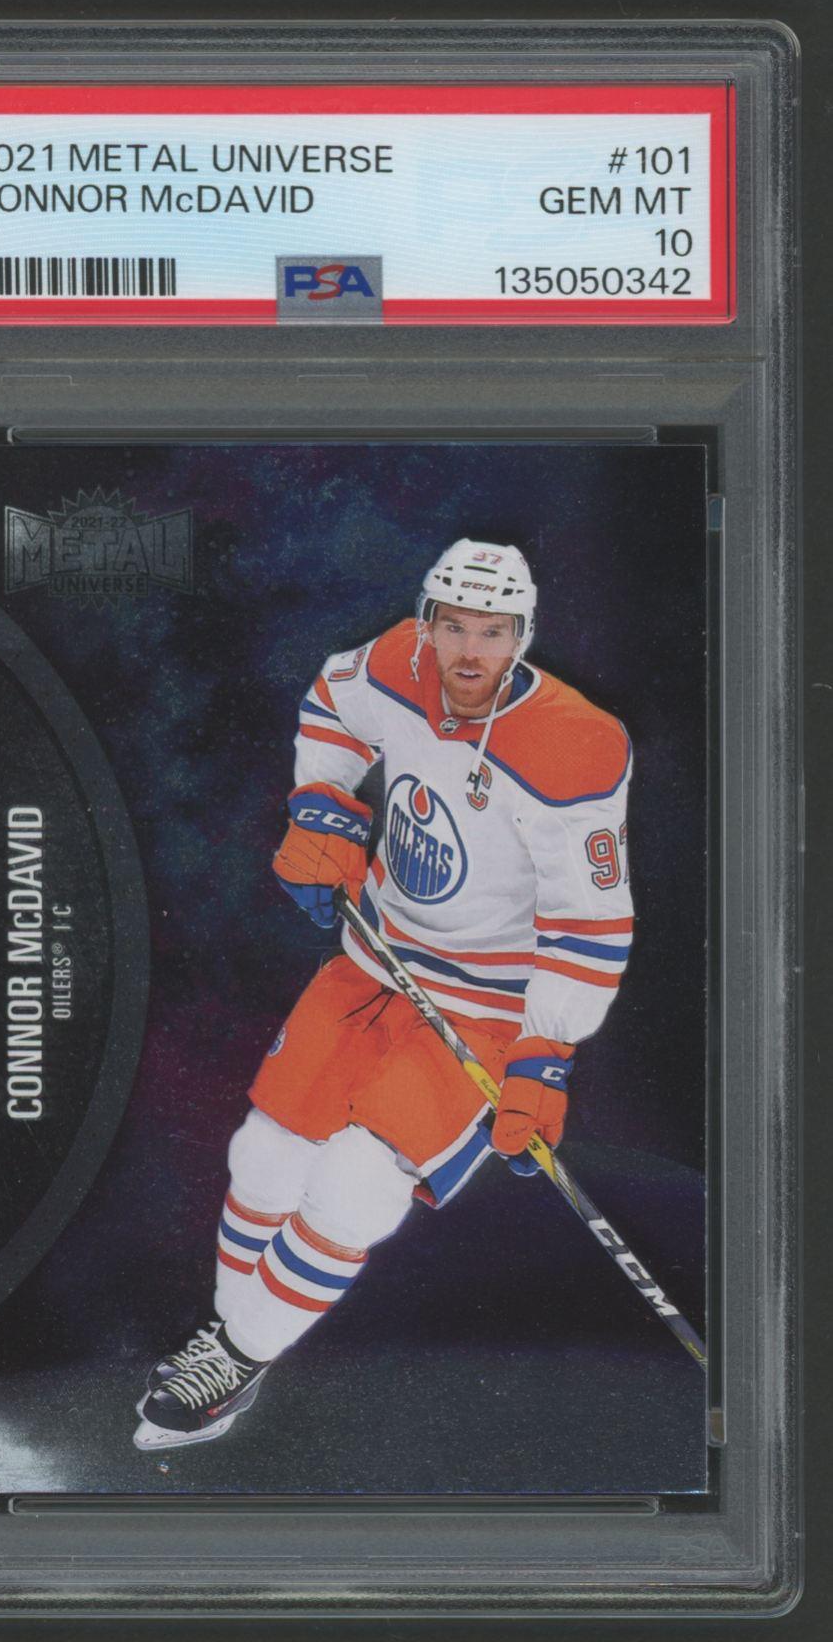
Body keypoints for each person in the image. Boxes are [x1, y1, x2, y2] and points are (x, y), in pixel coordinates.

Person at [134, 539, 634, 1450]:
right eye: (454, 627)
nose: (470, 652)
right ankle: (234, 1345)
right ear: (426, 622)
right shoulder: (395, 659)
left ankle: (233, 1357)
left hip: (486, 1005)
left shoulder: (576, 744)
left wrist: (546, 1051)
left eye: (493, 632)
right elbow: (331, 705)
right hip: (377, 958)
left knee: (357, 1184)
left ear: (523, 636)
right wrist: (323, 807)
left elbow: (589, 923)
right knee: (263, 1156)